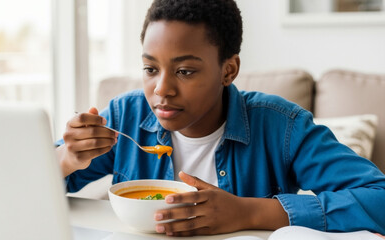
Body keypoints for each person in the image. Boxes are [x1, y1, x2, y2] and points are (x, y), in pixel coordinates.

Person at [55, 0, 385, 237]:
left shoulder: (281, 125)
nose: (162, 89)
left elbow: (378, 197)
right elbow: (31, 185)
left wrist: (247, 212)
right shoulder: (125, 115)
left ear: (228, 70)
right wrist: (66, 159)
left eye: (184, 71)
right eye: (150, 69)